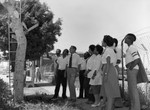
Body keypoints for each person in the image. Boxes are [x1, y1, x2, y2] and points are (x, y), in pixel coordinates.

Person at [101, 35, 120, 110]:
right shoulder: (109, 50)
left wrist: (106, 74)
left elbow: (108, 63)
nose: (102, 42)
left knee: (109, 94)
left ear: (105, 42)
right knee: (110, 93)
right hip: (110, 70)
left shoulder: (108, 50)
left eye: (102, 41)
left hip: (109, 70)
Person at [124, 33, 141, 110]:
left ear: (130, 39)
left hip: (132, 69)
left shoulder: (132, 48)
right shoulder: (129, 48)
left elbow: (137, 59)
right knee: (131, 89)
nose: (125, 39)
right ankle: (133, 107)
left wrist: (130, 67)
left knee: (133, 90)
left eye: (126, 38)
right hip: (131, 69)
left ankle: (136, 108)